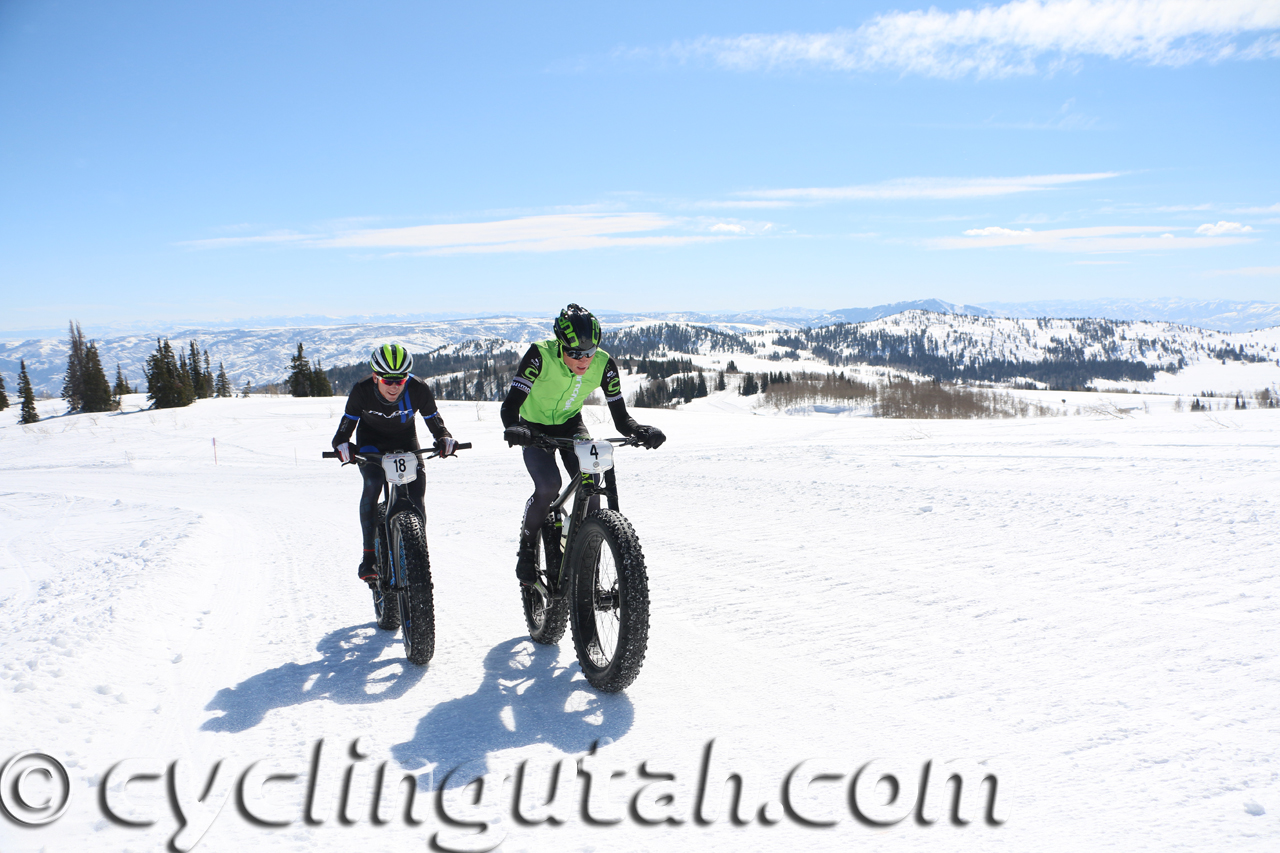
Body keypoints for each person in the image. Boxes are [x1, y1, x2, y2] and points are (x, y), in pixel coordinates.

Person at [500, 304, 665, 584]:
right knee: (548, 486)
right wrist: (514, 427)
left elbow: (621, 417)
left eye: (588, 353)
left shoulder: (604, 364)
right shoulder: (539, 355)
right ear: (560, 345)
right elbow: (510, 405)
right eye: (575, 353)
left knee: (592, 482)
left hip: (570, 424)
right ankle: (527, 548)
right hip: (532, 427)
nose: (583, 360)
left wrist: (639, 430)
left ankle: (581, 549)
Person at [331, 343, 459, 585]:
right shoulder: (362, 390)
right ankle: (369, 556)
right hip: (371, 443)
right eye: (387, 380)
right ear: (375, 376)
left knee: (417, 493)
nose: (393, 386)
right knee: (373, 482)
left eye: (399, 380)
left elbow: (436, 423)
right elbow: (343, 432)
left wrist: (444, 439)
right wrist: (343, 447)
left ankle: (416, 553)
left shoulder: (418, 389)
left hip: (406, 441)